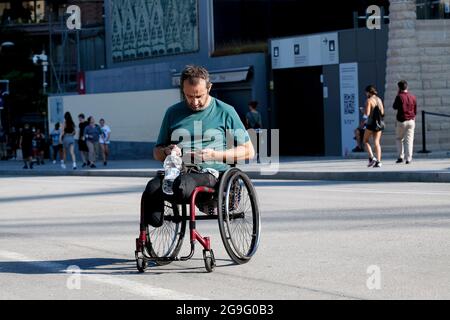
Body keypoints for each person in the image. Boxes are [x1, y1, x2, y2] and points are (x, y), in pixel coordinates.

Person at [141, 65, 255, 228]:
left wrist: (214, 155)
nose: (194, 102)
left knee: (184, 184)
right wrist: (167, 151)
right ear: (182, 90)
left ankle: (202, 206)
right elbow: (156, 152)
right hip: (178, 170)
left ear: (209, 88)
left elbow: (248, 151)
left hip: (211, 173)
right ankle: (154, 239)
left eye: (199, 96)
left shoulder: (225, 111)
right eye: (188, 96)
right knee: (152, 187)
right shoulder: (172, 113)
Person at [393, 80, 417, 164]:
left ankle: (400, 157)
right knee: (409, 140)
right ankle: (408, 159)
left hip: (401, 120)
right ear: (407, 87)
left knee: (399, 138)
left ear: (399, 88)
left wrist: (397, 95)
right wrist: (413, 118)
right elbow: (415, 109)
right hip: (411, 120)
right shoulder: (413, 96)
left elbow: (394, 107)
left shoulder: (399, 96)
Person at [363, 85, 385, 168]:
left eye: (366, 92)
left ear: (368, 92)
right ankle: (379, 161)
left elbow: (367, 114)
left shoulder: (369, 100)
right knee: (377, 142)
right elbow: (382, 113)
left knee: (365, 140)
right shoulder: (379, 99)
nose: (366, 94)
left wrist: (363, 111)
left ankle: (372, 158)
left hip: (371, 123)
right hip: (379, 123)